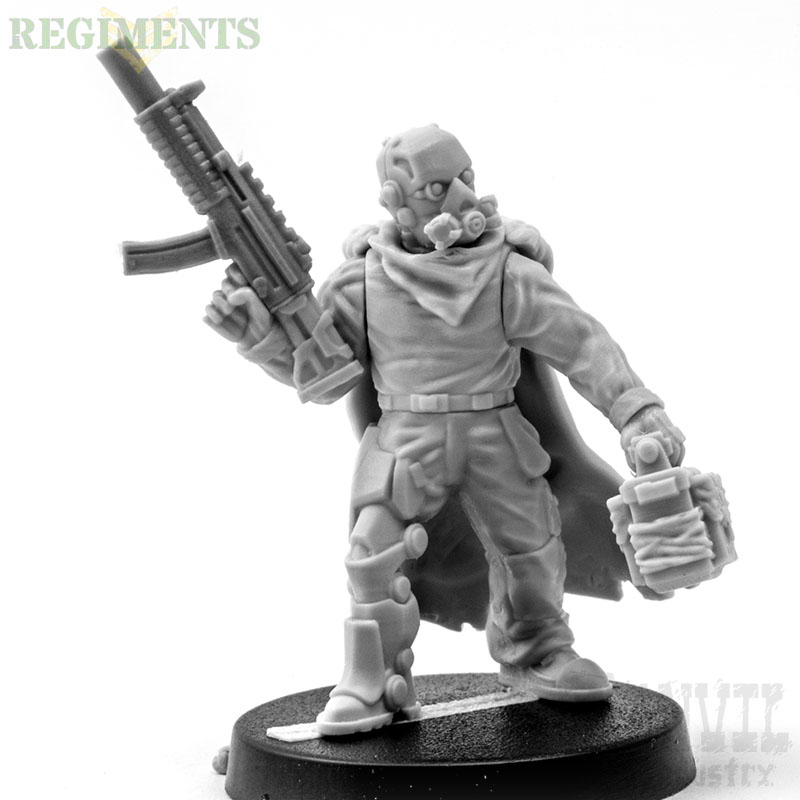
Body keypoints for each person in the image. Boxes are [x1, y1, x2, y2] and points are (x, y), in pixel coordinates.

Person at [204, 125, 685, 736]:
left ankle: (538, 648)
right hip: (407, 434)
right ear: (396, 201)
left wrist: (636, 409)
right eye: (436, 187)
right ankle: (372, 678)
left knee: (531, 545)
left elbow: (582, 342)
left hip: (494, 427)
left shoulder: (505, 270)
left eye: (465, 178)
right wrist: (259, 336)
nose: (459, 196)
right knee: (372, 556)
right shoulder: (362, 281)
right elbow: (323, 378)